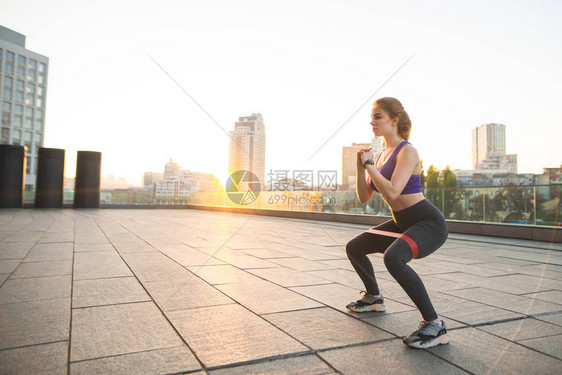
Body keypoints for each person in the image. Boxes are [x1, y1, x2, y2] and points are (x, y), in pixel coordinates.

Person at [345, 97, 450, 349]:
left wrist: (369, 165)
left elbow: (392, 192)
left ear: (395, 120)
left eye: (377, 116)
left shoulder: (407, 151)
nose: (372, 122)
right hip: (401, 221)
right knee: (354, 247)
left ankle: (435, 325)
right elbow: (363, 197)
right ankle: (373, 298)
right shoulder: (380, 155)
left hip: (428, 222)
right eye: (372, 117)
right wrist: (361, 168)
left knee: (393, 257)